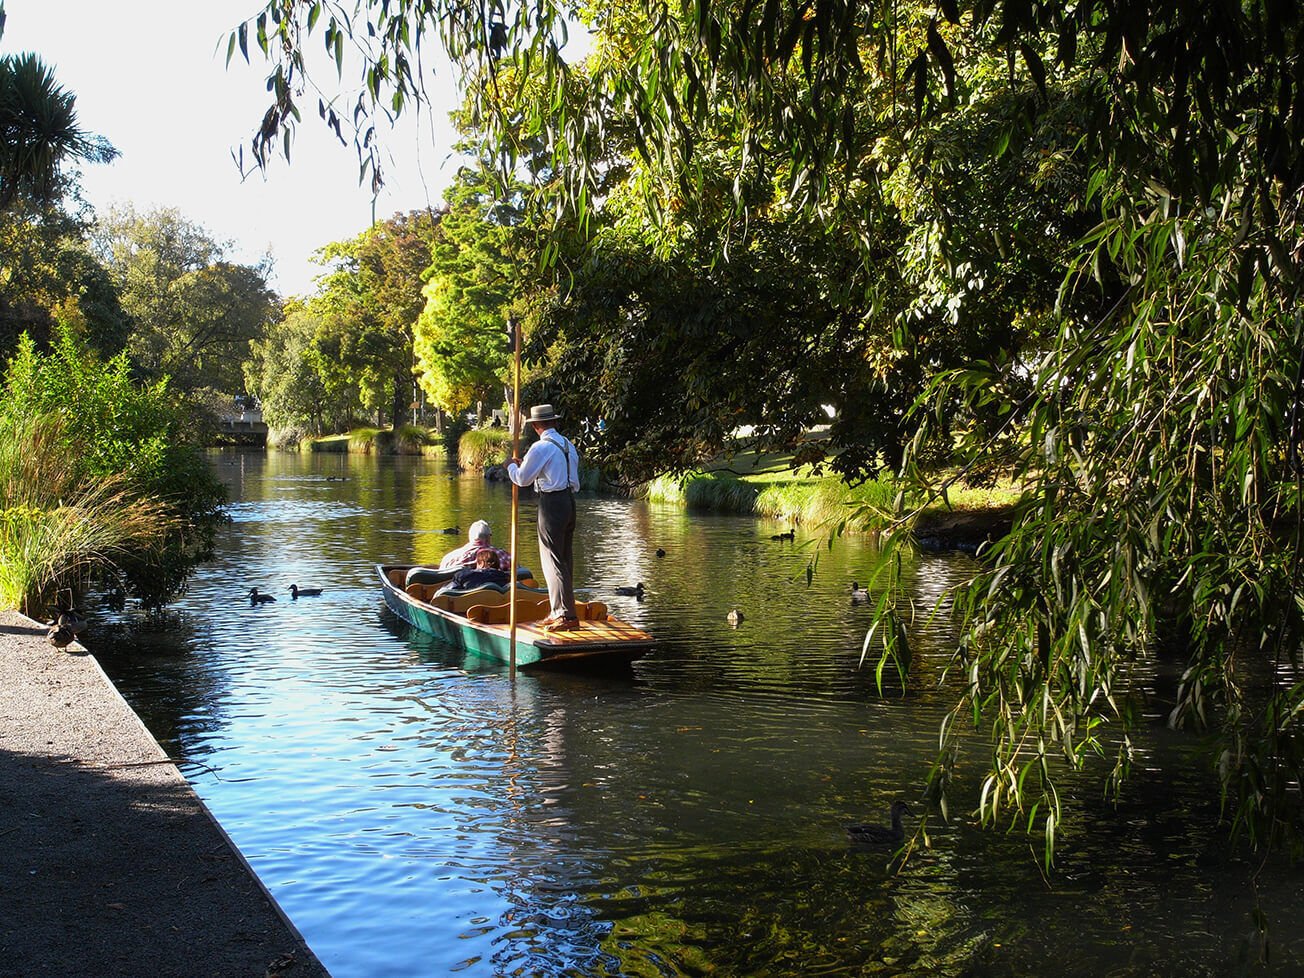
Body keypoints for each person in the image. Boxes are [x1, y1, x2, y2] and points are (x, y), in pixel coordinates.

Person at [507, 403, 580, 631]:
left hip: (552, 504)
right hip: (569, 502)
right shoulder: (568, 445)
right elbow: (570, 479)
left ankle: (565, 616)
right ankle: (561, 610)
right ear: (554, 422)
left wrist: (510, 466)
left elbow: (522, 479)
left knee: (552, 560)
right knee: (565, 559)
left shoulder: (540, 448)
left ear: (536, 425)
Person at [439, 519, 511, 571]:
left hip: (463, 591)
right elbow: (518, 571)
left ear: (470, 537)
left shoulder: (450, 558)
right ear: (489, 537)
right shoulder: (504, 556)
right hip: (495, 590)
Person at [443, 549, 511, 593]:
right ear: (497, 563)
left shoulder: (462, 576)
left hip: (467, 608)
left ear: (479, 563)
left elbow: (445, 592)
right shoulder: (506, 578)